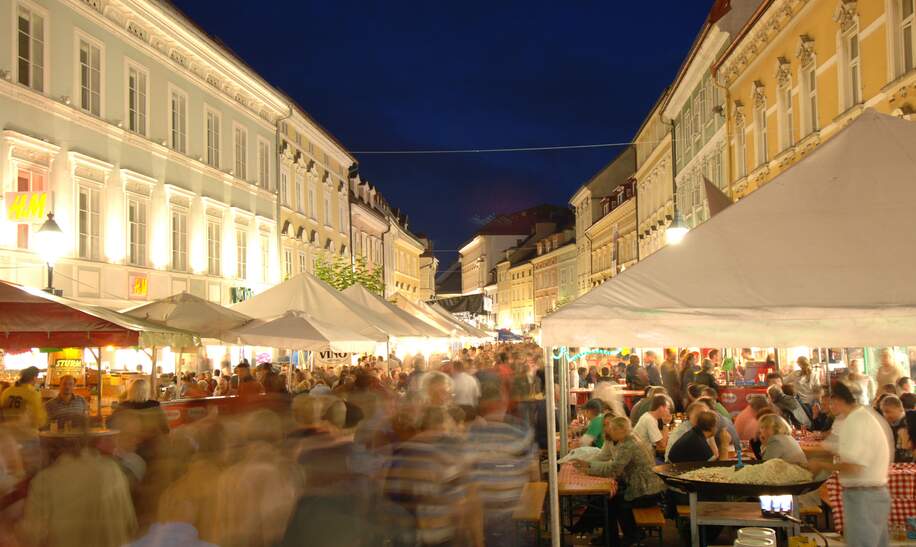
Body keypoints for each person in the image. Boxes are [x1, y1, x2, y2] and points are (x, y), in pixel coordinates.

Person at [809, 381, 892, 547]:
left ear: (839, 400)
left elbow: (854, 466)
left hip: (864, 496)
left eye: (830, 402)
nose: (828, 406)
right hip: (871, 494)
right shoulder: (857, 417)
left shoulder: (856, 421)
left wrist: (821, 465)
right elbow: (832, 447)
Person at [574, 416, 665, 546]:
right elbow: (606, 459)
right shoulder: (624, 439)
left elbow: (614, 469)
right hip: (639, 486)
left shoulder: (628, 444)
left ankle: (628, 536)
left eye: (611, 429)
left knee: (613, 502)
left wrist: (588, 468)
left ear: (621, 431)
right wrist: (588, 464)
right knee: (608, 500)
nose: (608, 431)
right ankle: (610, 537)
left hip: (646, 490)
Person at [878, 395, 913, 463]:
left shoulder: (909, 423)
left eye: (888, 411)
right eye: (883, 412)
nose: (885, 415)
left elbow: (906, 450)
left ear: (900, 409)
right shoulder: (890, 425)